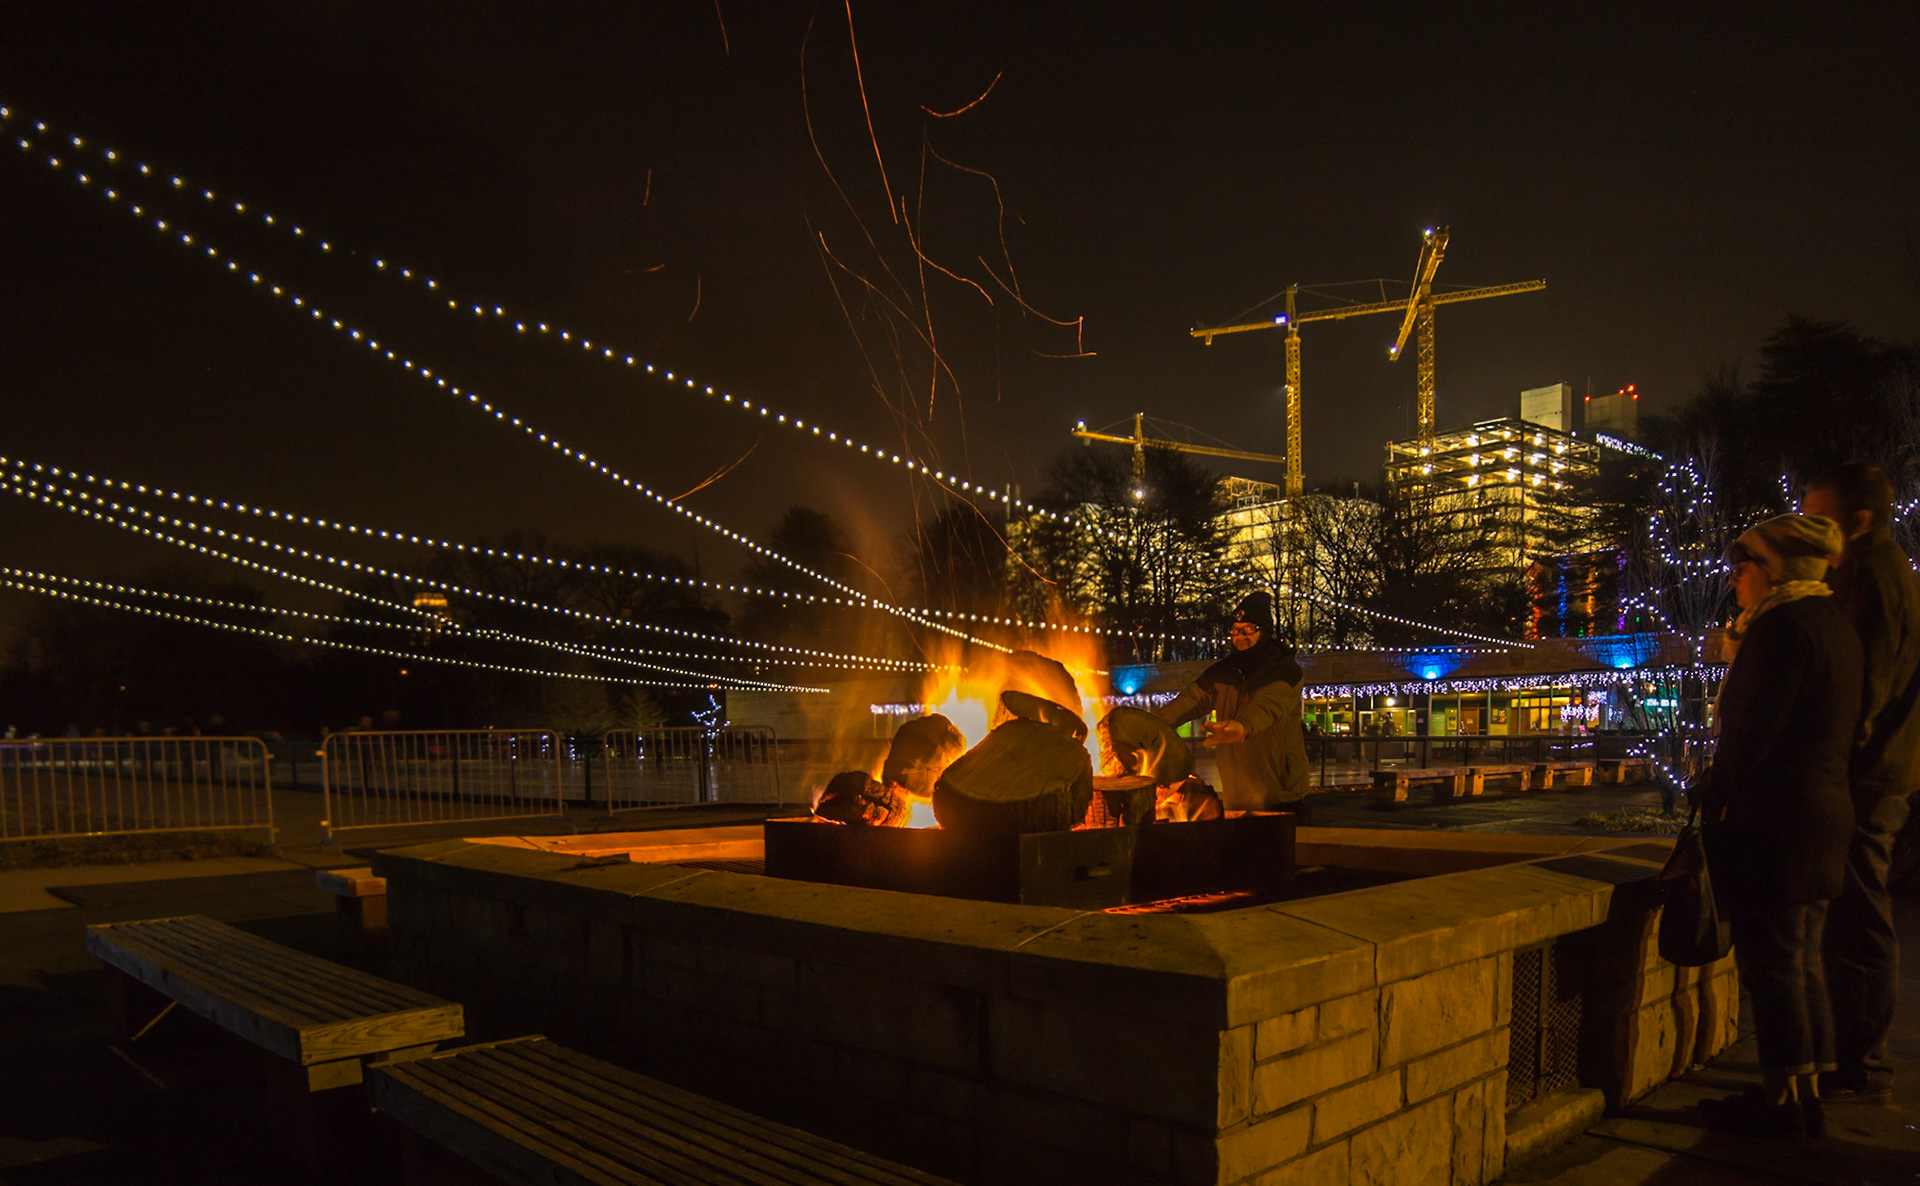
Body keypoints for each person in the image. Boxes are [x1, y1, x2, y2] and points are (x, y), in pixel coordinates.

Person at [1698, 514, 1860, 1139]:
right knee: (1803, 960)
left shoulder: (1780, 629)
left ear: (1774, 572)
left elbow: (1751, 734)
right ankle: (1808, 1091)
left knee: (1772, 965)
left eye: (1743, 568)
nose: (1734, 580)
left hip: (1779, 821)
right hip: (1823, 814)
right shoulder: (1831, 623)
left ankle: (1779, 1104)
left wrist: (1717, 792)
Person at [1803, 463, 1920, 1105]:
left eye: (1819, 517)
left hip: (1867, 777)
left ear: (1859, 521)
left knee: (1860, 921)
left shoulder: (1875, 576)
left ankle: (1863, 1065)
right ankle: (1857, 1059)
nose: (1810, 530)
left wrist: (1829, 764)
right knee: (1856, 918)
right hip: (1878, 771)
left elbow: (1865, 687)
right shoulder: (1882, 571)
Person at [1155, 591, 1311, 820]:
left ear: (1265, 632)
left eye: (1249, 629)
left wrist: (1243, 727)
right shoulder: (1224, 672)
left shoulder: (1285, 671)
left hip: (1283, 798)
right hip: (1237, 797)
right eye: (1236, 630)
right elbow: (1190, 700)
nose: (1241, 636)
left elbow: (1268, 706)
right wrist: (1153, 723)